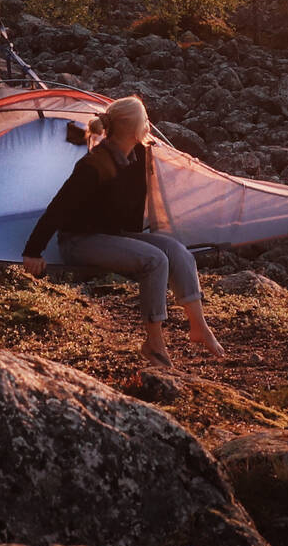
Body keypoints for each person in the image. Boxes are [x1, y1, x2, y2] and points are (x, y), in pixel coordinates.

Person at [21, 96, 225, 364]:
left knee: (177, 251)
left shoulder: (138, 155)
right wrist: (33, 250)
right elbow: (58, 207)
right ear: (134, 127)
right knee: (155, 261)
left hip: (115, 235)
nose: (148, 127)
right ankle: (154, 343)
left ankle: (200, 327)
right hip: (80, 240)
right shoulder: (94, 164)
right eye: (145, 122)